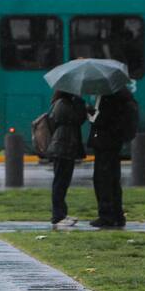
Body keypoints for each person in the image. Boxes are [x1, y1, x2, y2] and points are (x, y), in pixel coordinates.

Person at [87, 87, 139, 228]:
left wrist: (90, 114)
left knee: (102, 180)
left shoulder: (109, 97)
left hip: (105, 143)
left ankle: (106, 216)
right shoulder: (123, 96)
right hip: (114, 143)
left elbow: (103, 119)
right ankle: (117, 215)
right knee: (114, 180)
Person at [45, 90, 87, 229]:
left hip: (64, 147)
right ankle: (58, 216)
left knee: (62, 182)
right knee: (60, 183)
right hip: (63, 147)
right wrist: (81, 104)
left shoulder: (62, 103)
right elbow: (77, 119)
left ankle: (61, 214)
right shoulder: (63, 104)